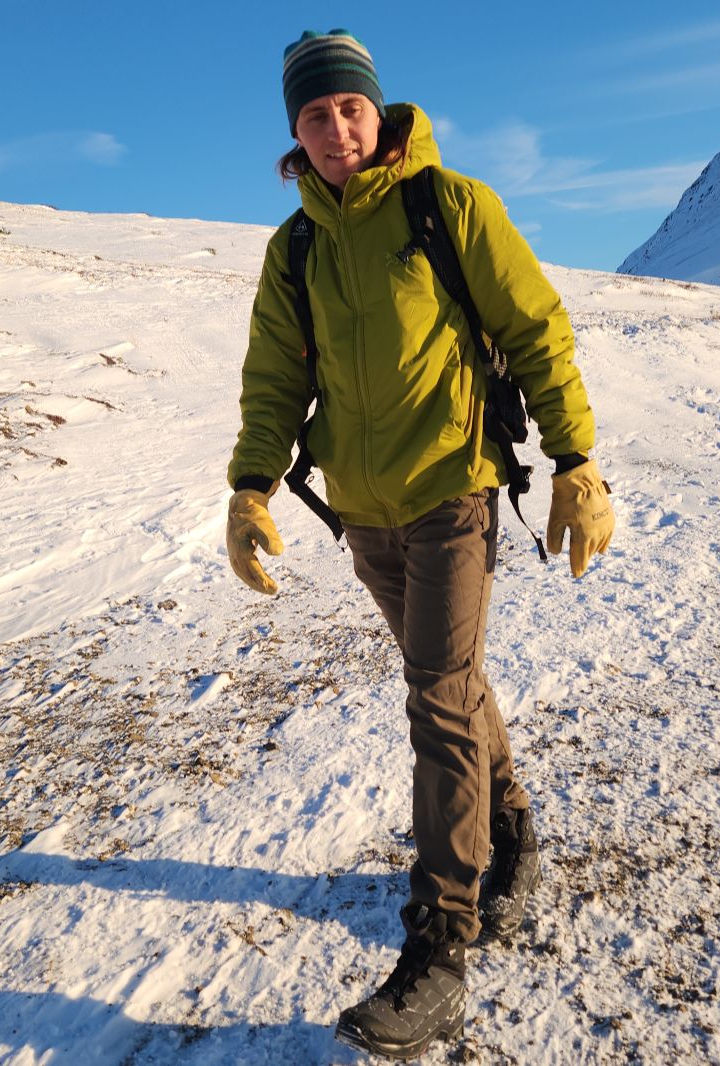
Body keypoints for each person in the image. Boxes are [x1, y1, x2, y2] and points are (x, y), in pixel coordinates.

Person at [225, 28, 615, 1060]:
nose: (336, 127)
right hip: (362, 511)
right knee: (450, 678)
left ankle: (441, 941)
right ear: (295, 133)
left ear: (378, 109)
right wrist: (249, 486)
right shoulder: (294, 248)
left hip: (453, 489)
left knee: (437, 698)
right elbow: (275, 381)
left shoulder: (449, 205)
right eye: (314, 114)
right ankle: (517, 830)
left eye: (349, 107)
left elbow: (536, 327)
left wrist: (576, 459)